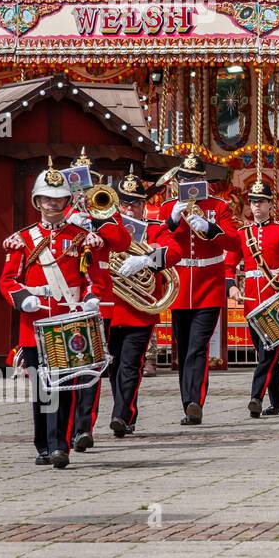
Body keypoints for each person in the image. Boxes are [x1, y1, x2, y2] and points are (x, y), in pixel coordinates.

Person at [0, 160, 105, 468]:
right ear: (38, 202)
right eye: (47, 198)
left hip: (68, 323)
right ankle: (44, 444)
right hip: (34, 325)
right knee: (41, 391)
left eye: (57, 199)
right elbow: (7, 280)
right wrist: (22, 299)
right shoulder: (23, 239)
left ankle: (61, 446)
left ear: (66, 201)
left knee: (67, 388)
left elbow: (91, 278)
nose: (52, 204)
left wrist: (91, 299)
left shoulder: (80, 237)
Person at [55, 149, 133, 452]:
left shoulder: (102, 211)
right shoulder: (59, 213)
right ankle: (65, 427)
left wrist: (96, 225)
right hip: (65, 298)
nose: (82, 192)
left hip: (99, 300)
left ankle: (83, 428)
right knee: (68, 368)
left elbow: (123, 240)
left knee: (92, 366)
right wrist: (70, 222)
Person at [96, 168, 182, 438]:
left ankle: (123, 415)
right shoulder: (106, 228)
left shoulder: (154, 229)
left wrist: (146, 260)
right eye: (124, 203)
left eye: (135, 203)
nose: (129, 208)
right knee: (113, 366)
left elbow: (175, 252)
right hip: (111, 308)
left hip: (139, 312)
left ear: (144, 205)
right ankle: (123, 411)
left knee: (131, 364)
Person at [158, 154, 240, 425]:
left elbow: (234, 242)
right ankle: (187, 402)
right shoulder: (169, 206)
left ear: (203, 180)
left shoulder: (219, 206)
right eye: (185, 179)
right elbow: (158, 239)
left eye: (195, 179)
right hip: (181, 283)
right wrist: (171, 219)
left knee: (198, 346)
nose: (190, 184)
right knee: (183, 346)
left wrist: (211, 228)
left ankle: (195, 401)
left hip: (209, 283)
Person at [228, 179, 279, 419]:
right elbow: (229, 265)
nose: (257, 206)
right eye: (253, 202)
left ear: (270, 204)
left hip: (275, 301)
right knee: (265, 353)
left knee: (269, 352)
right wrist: (232, 287)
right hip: (251, 302)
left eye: (262, 201)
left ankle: (256, 397)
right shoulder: (242, 233)